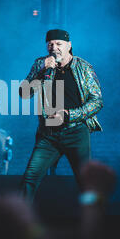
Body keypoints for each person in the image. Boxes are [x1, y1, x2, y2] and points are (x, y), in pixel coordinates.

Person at [19, 29, 103, 203]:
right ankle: (18, 222)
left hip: (76, 132)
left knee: (85, 182)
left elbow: (97, 101)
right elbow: (24, 93)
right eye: (50, 44)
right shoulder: (40, 65)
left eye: (59, 44)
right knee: (30, 177)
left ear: (69, 46)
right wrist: (41, 71)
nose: (54, 48)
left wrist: (69, 115)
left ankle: (95, 223)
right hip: (48, 134)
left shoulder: (83, 67)